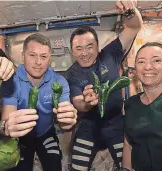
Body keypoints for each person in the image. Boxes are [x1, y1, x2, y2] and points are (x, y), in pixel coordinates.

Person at [65, 1, 143, 170]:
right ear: (72, 51)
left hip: (115, 122)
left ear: (98, 46)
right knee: (77, 167)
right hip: (88, 125)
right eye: (78, 48)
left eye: (89, 47)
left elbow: (134, 27)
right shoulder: (71, 73)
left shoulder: (110, 53)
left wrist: (129, 11)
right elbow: (77, 102)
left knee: (130, 164)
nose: (84, 53)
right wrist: (86, 102)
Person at [0, 33, 77, 171]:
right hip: (20, 137)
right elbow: (7, 117)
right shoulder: (11, 81)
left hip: (46, 134)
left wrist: (69, 120)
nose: (38, 62)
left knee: (54, 165)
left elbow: (65, 121)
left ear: (49, 59)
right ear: (23, 56)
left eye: (43, 56)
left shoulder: (59, 82)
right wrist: (6, 125)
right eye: (32, 55)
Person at [122, 42, 162, 171]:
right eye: (141, 62)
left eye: (156, 60)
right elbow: (128, 144)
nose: (148, 67)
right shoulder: (130, 104)